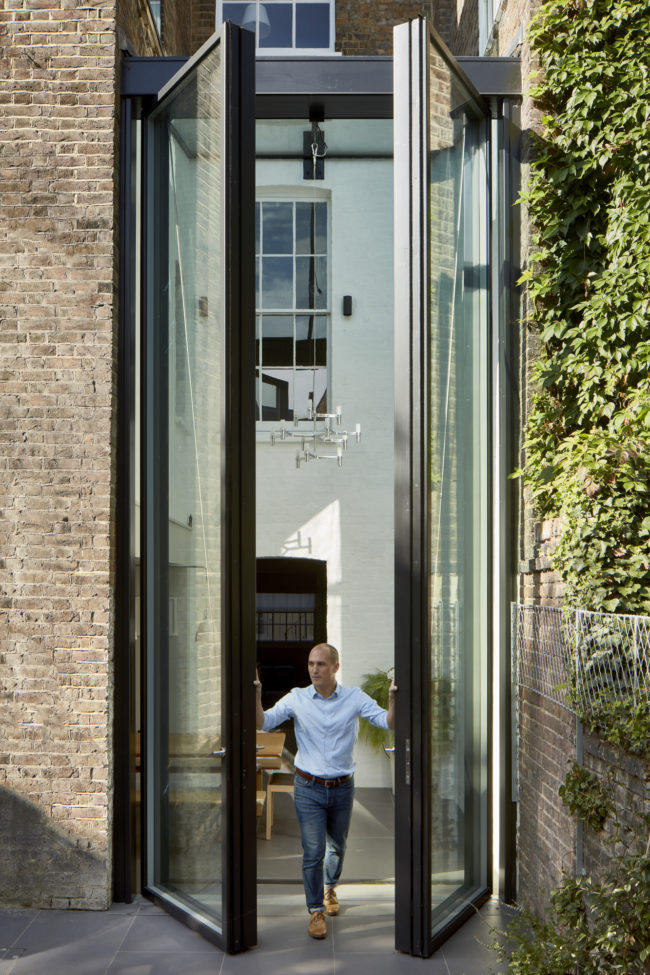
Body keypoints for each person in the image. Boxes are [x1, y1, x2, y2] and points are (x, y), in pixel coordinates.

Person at [255, 642, 397, 940]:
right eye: (310, 664)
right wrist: (256, 695)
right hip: (308, 787)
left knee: (338, 847)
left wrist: (394, 700)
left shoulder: (354, 697)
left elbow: (386, 722)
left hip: (343, 787)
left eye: (320, 664)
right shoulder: (297, 698)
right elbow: (264, 722)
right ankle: (315, 910)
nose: (314, 670)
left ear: (335, 667)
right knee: (313, 851)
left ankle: (330, 887)